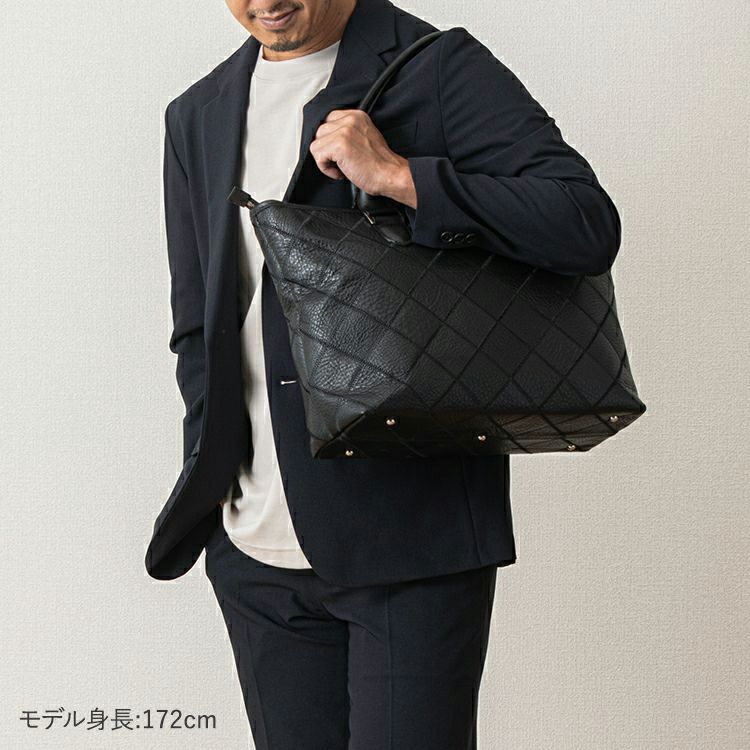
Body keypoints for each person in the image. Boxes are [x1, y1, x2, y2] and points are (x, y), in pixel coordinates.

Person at [146, 0, 621, 747]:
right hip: (254, 550)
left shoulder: (436, 67)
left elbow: (584, 222)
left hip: (410, 543)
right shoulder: (197, 113)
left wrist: (402, 177)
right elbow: (198, 324)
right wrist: (216, 484)